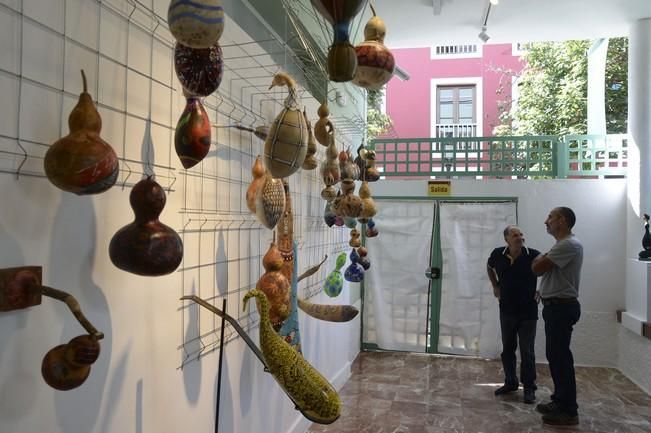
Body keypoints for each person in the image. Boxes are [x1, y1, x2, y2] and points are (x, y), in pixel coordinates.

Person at [532, 207, 583, 426]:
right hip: (556, 307)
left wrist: (540, 258)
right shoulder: (561, 245)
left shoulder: (568, 244)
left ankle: (569, 410)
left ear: (562, 220)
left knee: (560, 358)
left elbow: (538, 268)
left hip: (561, 308)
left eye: (550, 217)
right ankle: (559, 400)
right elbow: (543, 268)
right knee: (556, 356)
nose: (546, 221)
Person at [487, 225, 540, 404]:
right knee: (508, 349)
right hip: (507, 310)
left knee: (527, 351)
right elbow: (489, 267)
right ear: (507, 239)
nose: (520, 237)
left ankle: (529, 388)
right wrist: (495, 285)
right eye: (515, 235)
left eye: (521, 234)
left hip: (528, 312)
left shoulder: (533, 255)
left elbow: (550, 272)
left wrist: (542, 291)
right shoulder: (498, 254)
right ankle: (510, 382)